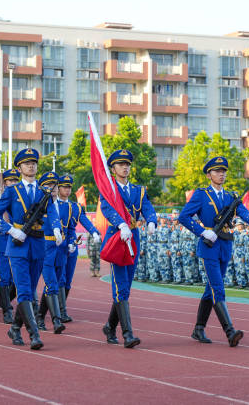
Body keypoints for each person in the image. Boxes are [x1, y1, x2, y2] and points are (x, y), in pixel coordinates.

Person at [178, 156, 249, 347]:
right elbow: (183, 216)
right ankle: (230, 331)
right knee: (218, 289)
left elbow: (241, 210)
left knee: (211, 290)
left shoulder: (230, 195)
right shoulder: (201, 195)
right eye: (217, 171)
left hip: (225, 246)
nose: (221, 174)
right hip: (209, 246)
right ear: (209, 174)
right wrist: (202, 231)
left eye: (223, 171)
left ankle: (198, 329)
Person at [0, 148, 62, 350]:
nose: (31, 166)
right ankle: (34, 334)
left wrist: (56, 228)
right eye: (27, 163)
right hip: (18, 246)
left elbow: (52, 212)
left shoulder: (43, 192)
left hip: (38, 245)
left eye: (34, 163)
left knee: (30, 290)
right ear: (19, 167)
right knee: (23, 291)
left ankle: (14, 329)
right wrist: (11, 230)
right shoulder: (11, 192)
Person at [99, 149, 157, 348]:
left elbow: (147, 206)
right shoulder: (109, 188)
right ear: (113, 168)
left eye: (127, 164)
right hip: (117, 236)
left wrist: (151, 221)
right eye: (120, 164)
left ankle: (109, 326)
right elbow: (106, 208)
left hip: (133, 237)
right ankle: (127, 334)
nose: (125, 167)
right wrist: (120, 223)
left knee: (126, 287)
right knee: (120, 287)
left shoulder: (138, 190)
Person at [58, 174, 100, 322]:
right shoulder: (53, 205)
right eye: (64, 187)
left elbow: (85, 221)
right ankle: (61, 312)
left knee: (68, 280)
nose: (67, 190)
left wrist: (94, 231)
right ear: (58, 188)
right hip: (58, 246)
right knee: (60, 279)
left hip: (72, 247)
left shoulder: (75, 207)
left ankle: (59, 308)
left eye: (69, 187)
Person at [35, 172, 67, 334]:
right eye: (48, 186)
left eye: (54, 186)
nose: (52, 190)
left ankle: (40, 317)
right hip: (45, 248)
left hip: (60, 250)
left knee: (54, 284)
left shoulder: (63, 206)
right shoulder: (40, 207)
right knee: (52, 284)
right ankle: (56, 320)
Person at [0, 168, 21, 324]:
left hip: (18, 244)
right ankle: (7, 310)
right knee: (5, 277)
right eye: (10, 181)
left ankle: (5, 300)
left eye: (16, 181)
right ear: (4, 183)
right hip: (3, 243)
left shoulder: (21, 202)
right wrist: (6, 227)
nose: (13, 184)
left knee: (17, 279)